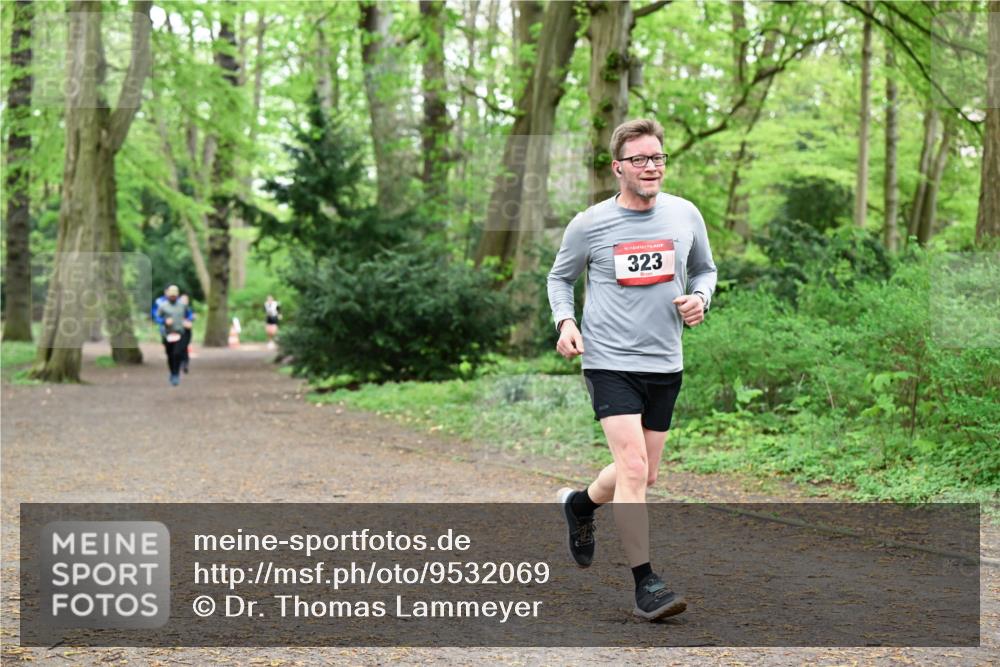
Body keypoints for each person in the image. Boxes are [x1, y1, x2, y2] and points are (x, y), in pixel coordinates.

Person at [547, 119, 717, 621]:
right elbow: (560, 278)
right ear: (617, 166)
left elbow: (705, 269)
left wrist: (701, 298)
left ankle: (581, 505)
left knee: (644, 473)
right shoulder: (591, 224)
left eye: (658, 158)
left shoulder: (685, 215)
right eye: (640, 159)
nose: (651, 167)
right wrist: (566, 321)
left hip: (665, 360)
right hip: (609, 361)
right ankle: (647, 584)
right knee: (635, 468)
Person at [155, 285, 193, 386]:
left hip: (180, 333)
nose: (172, 297)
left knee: (177, 353)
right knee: (170, 354)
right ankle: (172, 372)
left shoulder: (182, 305)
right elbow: (156, 318)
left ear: (177, 295)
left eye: (174, 296)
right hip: (167, 334)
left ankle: (176, 374)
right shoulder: (163, 306)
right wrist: (164, 321)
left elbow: (189, 314)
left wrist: (188, 320)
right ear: (168, 295)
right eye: (171, 295)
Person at [178, 293, 194, 374]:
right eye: (182, 300)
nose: (184, 301)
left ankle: (185, 364)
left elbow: (190, 321)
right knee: (179, 348)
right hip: (178, 332)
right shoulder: (176, 309)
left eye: (186, 300)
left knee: (184, 348)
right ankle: (181, 363)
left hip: (186, 332)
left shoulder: (188, 310)